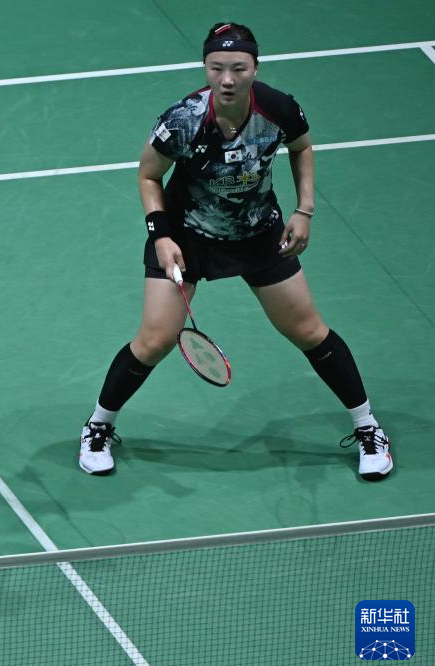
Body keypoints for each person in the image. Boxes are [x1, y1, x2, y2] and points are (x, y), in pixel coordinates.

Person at [78, 22, 392, 481]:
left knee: (308, 330)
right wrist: (161, 236)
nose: (227, 79)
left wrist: (304, 209)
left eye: (238, 68)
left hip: (258, 234)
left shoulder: (278, 108)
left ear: (255, 68)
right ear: (205, 67)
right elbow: (148, 176)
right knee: (155, 340)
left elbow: (302, 147)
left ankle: (368, 428)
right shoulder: (183, 120)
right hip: (186, 236)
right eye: (216, 68)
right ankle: (98, 426)